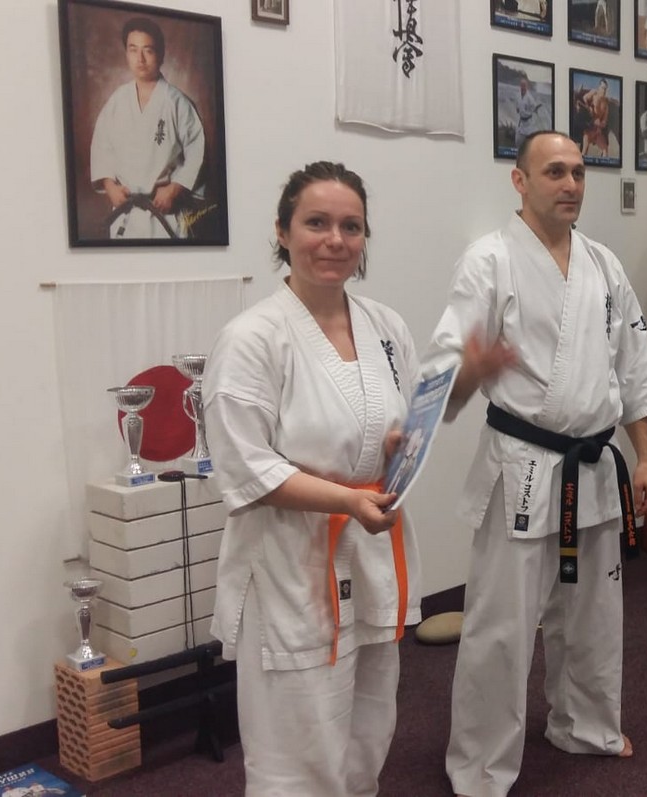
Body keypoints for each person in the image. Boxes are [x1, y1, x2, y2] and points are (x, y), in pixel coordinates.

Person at [433, 130, 647, 797]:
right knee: (501, 628)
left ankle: (584, 725)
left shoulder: (603, 264)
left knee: (593, 613)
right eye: (554, 172)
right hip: (521, 464)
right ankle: (481, 766)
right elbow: (446, 370)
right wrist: (468, 370)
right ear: (519, 181)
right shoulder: (487, 261)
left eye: (578, 172)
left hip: (594, 465)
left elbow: (633, 369)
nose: (570, 184)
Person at [204, 162, 440, 796]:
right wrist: (347, 500)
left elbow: (397, 421)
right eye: (316, 223)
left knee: (368, 724)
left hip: (370, 547)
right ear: (283, 232)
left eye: (350, 226)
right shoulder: (252, 338)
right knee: (298, 736)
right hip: (290, 562)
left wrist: (397, 447)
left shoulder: (385, 326)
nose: (335, 239)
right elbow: (246, 466)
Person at [89, 17, 205, 240]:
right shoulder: (117, 101)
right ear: (126, 53)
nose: (140, 59)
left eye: (148, 50)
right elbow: (101, 147)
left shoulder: (176, 102)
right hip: (126, 213)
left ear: (161, 54)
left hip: (165, 213)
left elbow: (197, 149)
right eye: (133, 50)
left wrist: (175, 189)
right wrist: (110, 186)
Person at [513, 77, 545, 151]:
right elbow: (517, 107)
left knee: (529, 145)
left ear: (527, 86)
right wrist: (517, 109)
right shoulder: (517, 95)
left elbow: (534, 107)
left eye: (524, 85)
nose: (523, 87)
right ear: (520, 86)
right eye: (522, 85)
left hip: (529, 123)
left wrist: (536, 109)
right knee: (517, 142)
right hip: (521, 123)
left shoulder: (530, 98)